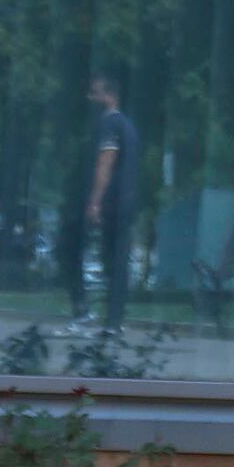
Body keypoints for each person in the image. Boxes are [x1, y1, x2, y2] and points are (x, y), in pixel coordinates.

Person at [79, 73, 141, 304]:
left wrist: (95, 202)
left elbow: (106, 162)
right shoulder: (128, 127)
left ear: (110, 96)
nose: (90, 99)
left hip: (113, 203)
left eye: (95, 94)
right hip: (128, 201)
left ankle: (111, 321)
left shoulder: (110, 124)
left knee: (111, 260)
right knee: (119, 261)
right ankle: (116, 320)